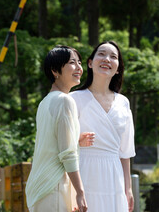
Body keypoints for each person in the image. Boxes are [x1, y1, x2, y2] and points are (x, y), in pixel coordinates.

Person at [25, 45, 94, 212]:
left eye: (79, 62)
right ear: (55, 71)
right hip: (53, 187)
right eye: (72, 62)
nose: (79, 68)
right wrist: (80, 192)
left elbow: (51, 143)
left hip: (40, 188)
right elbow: (67, 154)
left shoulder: (45, 102)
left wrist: (75, 139)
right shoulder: (65, 100)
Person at [70, 41, 136, 212]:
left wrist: (128, 189)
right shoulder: (74, 98)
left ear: (118, 69)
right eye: (101, 54)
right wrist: (78, 140)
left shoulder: (123, 103)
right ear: (90, 63)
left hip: (114, 177)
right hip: (83, 172)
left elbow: (125, 152)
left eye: (113, 57)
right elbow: (61, 143)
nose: (107, 59)